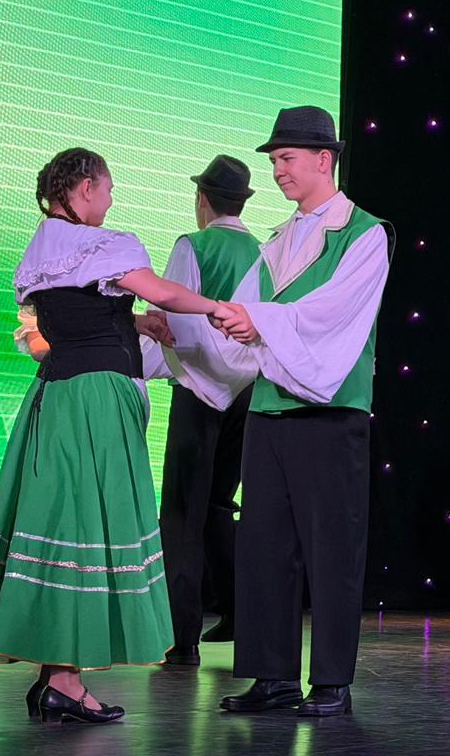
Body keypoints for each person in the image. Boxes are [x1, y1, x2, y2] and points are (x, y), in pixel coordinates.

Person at [0, 148, 231, 724]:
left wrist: (133, 322)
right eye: (108, 189)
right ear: (86, 186)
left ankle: (55, 679)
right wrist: (217, 308)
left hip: (55, 400)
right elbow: (161, 290)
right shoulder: (105, 243)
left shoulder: (42, 247)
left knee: (64, 524)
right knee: (87, 525)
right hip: (96, 400)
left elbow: (72, 316)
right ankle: (65, 682)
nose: (111, 201)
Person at [159, 106, 392, 718]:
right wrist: (223, 321)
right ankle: (273, 674)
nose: (278, 170)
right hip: (268, 409)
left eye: (287, 158)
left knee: (332, 546)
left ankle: (332, 680)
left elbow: (332, 315)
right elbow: (244, 312)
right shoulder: (278, 241)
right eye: (274, 160)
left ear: (324, 160)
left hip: (330, 411)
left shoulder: (365, 234)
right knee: (264, 543)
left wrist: (256, 321)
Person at [158, 155, 261, 665]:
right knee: (221, 503)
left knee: (183, 512)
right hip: (248, 390)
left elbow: (173, 316)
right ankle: (238, 612)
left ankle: (183, 639)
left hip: (199, 390)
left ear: (203, 199)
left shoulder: (193, 245)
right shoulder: (263, 252)